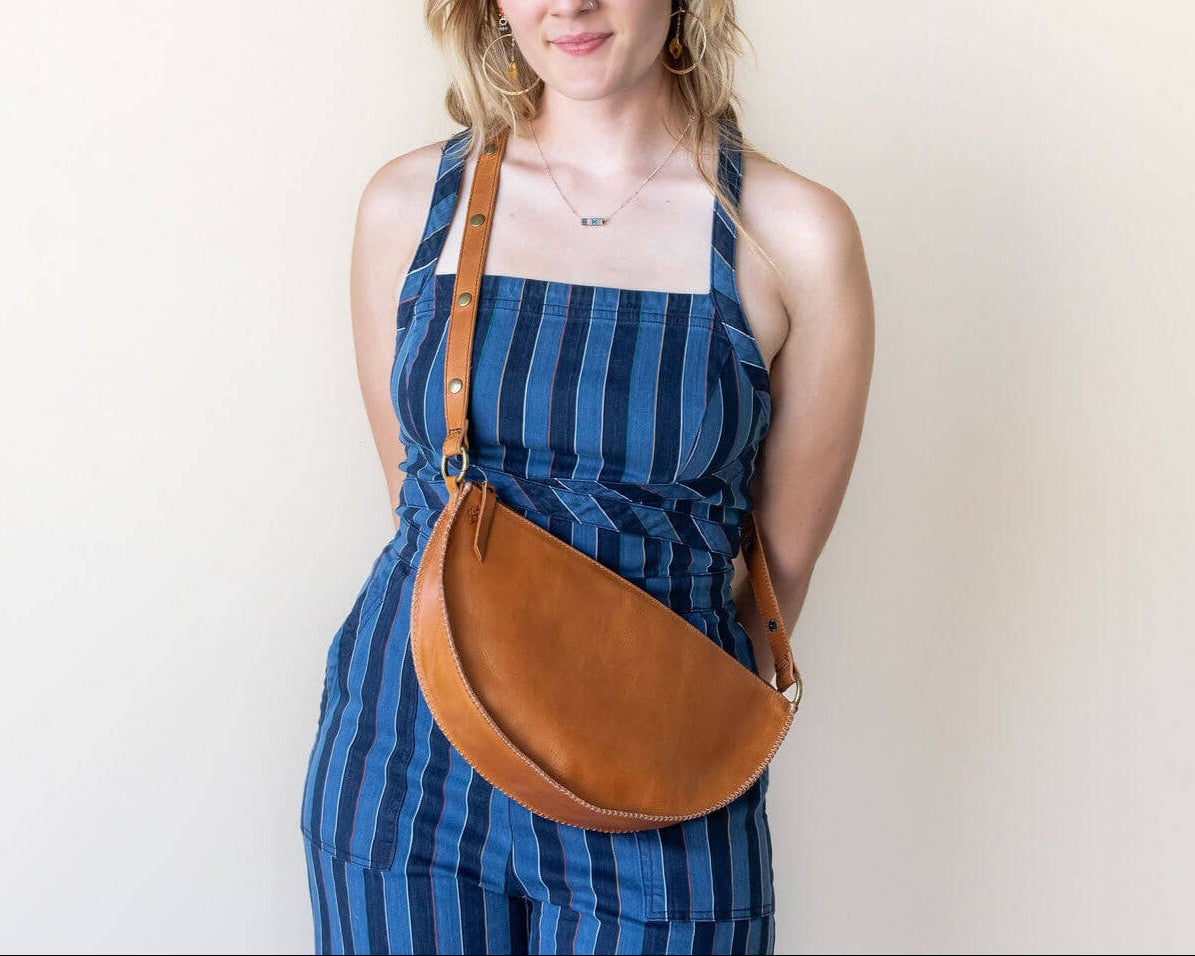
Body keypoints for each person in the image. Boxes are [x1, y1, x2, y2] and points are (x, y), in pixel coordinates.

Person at [298, 1, 874, 953]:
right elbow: (419, 505)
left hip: (659, 773)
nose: (567, 5)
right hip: (402, 763)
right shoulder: (406, 207)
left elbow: (780, 565)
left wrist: (636, 710)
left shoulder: (795, 235)